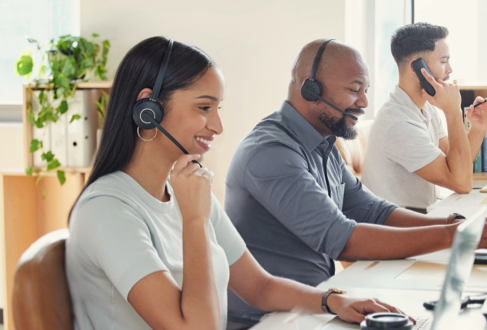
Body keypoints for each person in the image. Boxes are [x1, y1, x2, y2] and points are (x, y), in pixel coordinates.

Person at [66, 36, 405, 330]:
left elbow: (260, 287)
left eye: (217, 108)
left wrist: (332, 301)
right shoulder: (108, 209)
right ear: (148, 108)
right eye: (204, 107)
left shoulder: (185, 189)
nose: (217, 126)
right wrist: (195, 220)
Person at [225, 38, 487, 323]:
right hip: (270, 319)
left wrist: (454, 225)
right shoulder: (270, 152)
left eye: (366, 90)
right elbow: (341, 238)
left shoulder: (322, 143)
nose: (365, 101)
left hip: (319, 304)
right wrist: (453, 237)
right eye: (355, 90)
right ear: (310, 89)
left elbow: (375, 211)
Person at [362, 22, 487, 212]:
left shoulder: (425, 109)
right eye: (443, 62)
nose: (450, 70)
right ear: (418, 68)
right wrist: (453, 111)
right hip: (398, 232)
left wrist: (477, 128)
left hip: (420, 220)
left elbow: (457, 166)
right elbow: (461, 182)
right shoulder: (398, 123)